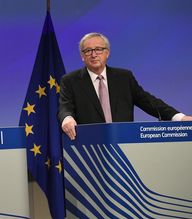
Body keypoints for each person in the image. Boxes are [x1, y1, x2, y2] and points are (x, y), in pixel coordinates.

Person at [58, 32, 192, 140]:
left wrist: (179, 117)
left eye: (98, 49)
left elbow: (149, 102)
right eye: (88, 51)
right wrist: (67, 118)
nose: (94, 54)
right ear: (82, 56)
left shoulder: (124, 78)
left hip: (124, 144)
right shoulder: (70, 80)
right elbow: (65, 107)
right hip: (90, 147)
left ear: (107, 53)